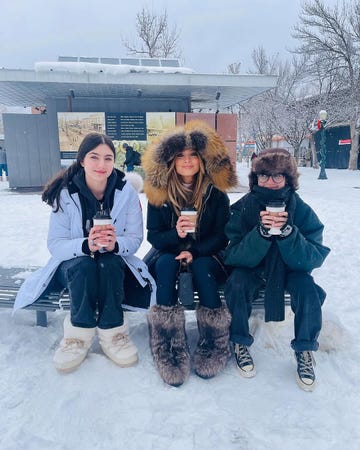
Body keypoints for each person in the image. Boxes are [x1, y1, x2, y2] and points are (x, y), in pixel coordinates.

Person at [14, 132, 155, 372]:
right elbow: (56, 244)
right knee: (85, 265)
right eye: (94, 157)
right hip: (72, 264)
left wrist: (115, 244)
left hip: (113, 262)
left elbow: (134, 238)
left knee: (109, 262)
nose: (101, 165)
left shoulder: (126, 192)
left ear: (114, 162)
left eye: (108, 158)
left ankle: (114, 334)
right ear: (82, 160)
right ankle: (76, 337)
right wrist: (84, 246)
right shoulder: (66, 192)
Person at [224, 148, 330, 391]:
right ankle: (240, 341)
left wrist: (288, 234)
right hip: (253, 268)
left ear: (288, 179)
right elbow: (233, 255)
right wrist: (260, 234)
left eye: (277, 176)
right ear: (255, 179)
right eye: (263, 176)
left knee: (307, 289)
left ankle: (304, 349)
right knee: (237, 283)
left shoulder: (300, 209)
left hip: (289, 269)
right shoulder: (243, 208)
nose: (270, 182)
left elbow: (313, 257)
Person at [141, 120, 238, 386]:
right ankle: (168, 344)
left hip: (208, 255)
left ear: (201, 159)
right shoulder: (158, 194)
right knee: (165, 267)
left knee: (202, 267)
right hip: (169, 252)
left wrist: (194, 250)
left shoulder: (216, 194)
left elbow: (222, 235)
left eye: (193, 154)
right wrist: (177, 235)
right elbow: (154, 236)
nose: (187, 160)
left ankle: (213, 340)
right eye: (180, 155)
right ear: (171, 160)